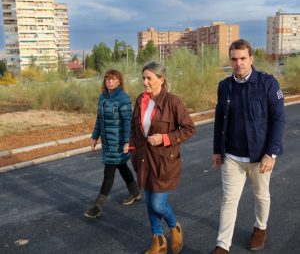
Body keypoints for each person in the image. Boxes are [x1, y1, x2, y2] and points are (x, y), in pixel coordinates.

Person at [211, 39, 285, 253]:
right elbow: (219, 120)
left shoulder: (268, 83)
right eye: (234, 59)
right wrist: (217, 150)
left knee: (261, 194)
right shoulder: (224, 87)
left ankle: (260, 228)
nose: (239, 63)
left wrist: (271, 154)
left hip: (260, 156)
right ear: (230, 61)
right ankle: (222, 245)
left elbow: (279, 119)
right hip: (232, 156)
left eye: (243, 58)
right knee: (228, 199)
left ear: (251, 59)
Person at [129, 61, 196, 254]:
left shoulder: (173, 102)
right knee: (149, 203)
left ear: (161, 79)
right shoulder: (140, 100)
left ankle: (175, 226)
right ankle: (158, 242)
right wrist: (133, 148)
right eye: (143, 78)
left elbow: (189, 128)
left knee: (158, 204)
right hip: (143, 160)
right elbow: (134, 128)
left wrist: (165, 138)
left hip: (164, 162)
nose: (145, 82)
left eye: (149, 78)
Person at [84, 69, 141, 219]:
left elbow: (128, 121)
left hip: (118, 142)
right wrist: (94, 137)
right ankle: (135, 192)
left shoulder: (123, 98)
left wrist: (128, 141)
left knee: (109, 172)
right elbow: (99, 119)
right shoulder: (103, 97)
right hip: (107, 142)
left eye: (113, 79)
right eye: (108, 79)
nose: (110, 81)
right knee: (121, 166)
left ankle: (98, 206)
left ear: (119, 81)